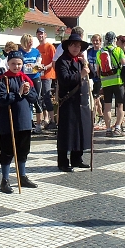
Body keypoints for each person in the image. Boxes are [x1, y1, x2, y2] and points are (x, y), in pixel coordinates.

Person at [0, 50, 39, 193]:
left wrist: (27, 92)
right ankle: (5, 179)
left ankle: (22, 176)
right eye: (13, 64)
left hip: (25, 120)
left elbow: (34, 98)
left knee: (23, 150)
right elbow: (2, 99)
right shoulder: (3, 80)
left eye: (19, 64)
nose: (16, 66)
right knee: (7, 151)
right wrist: (18, 93)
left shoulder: (26, 79)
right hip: (8, 121)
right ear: (8, 64)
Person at [55, 34, 93, 170]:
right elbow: (64, 79)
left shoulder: (80, 61)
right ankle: (63, 162)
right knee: (67, 132)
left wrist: (86, 64)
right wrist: (81, 74)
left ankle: (77, 158)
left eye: (79, 46)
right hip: (68, 101)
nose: (76, 48)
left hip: (81, 101)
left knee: (80, 131)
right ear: (68, 46)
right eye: (74, 45)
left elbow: (92, 74)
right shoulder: (62, 61)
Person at [98, 31, 125, 137]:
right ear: (114, 39)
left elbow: (98, 69)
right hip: (118, 81)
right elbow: (124, 64)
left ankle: (108, 129)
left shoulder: (100, 52)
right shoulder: (118, 50)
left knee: (107, 106)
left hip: (105, 82)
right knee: (120, 105)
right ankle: (118, 127)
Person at [19, 34, 44, 134]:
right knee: (25, 101)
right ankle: (27, 123)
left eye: (31, 41)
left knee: (37, 100)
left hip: (35, 78)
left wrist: (38, 66)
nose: (31, 43)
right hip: (24, 79)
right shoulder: (20, 53)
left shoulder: (36, 51)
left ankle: (38, 125)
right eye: (28, 42)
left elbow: (38, 63)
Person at [36, 27, 57, 130]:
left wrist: (45, 67)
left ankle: (52, 120)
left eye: (42, 34)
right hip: (39, 75)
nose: (40, 35)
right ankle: (46, 119)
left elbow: (54, 61)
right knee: (40, 98)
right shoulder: (37, 48)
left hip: (48, 75)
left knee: (47, 96)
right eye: (39, 34)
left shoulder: (50, 47)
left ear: (45, 35)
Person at [86, 34, 103, 125]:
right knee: (94, 98)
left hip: (99, 78)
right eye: (94, 41)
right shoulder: (89, 51)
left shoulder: (102, 51)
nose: (95, 42)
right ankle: (100, 116)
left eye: (97, 41)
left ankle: (94, 118)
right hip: (90, 77)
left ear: (100, 41)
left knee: (95, 98)